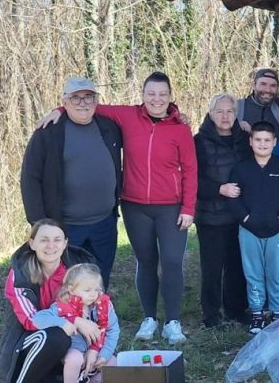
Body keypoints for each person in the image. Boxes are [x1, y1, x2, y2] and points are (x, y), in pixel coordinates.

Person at [39, 72, 197, 345]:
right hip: (135, 206)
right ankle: (149, 318)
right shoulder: (127, 116)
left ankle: (173, 321)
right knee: (145, 261)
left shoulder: (180, 129)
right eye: (151, 94)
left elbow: (191, 170)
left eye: (162, 94)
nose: (156, 99)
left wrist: (188, 207)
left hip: (171, 207)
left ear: (170, 97)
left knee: (171, 262)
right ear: (143, 95)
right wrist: (57, 109)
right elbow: (87, 105)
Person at [0, 220, 100, 383]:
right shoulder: (19, 274)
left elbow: (99, 306)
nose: (51, 246)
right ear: (32, 243)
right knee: (56, 335)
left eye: (57, 240)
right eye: (44, 240)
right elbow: (31, 320)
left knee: (103, 359)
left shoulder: (77, 271)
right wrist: (74, 320)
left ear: (65, 243)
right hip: (28, 343)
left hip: (75, 342)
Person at [20, 76, 123, 283]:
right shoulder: (48, 132)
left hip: (104, 223)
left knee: (99, 280)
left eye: (88, 97)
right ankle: (68, 316)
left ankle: (96, 315)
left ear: (96, 101)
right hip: (65, 226)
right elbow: (30, 178)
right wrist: (40, 224)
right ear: (64, 102)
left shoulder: (109, 128)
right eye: (75, 98)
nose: (82, 103)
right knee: (66, 283)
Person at [226, 122, 279, 333]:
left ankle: (278, 312)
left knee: (275, 273)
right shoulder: (241, 168)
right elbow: (233, 198)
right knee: (253, 273)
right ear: (251, 142)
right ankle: (257, 313)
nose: (262, 144)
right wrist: (245, 218)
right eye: (258, 139)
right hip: (249, 231)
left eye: (267, 140)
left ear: (274, 142)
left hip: (276, 231)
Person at [194, 94, 249, 328]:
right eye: (220, 111)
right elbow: (192, 179)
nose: (225, 116)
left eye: (230, 111)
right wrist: (219, 189)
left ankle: (236, 310)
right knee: (212, 268)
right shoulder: (198, 141)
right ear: (210, 113)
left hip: (239, 215)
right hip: (211, 215)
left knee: (237, 265)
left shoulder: (244, 139)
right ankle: (211, 315)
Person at [40, 263, 120, 383]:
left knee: (113, 363)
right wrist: (67, 322)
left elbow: (112, 330)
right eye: (87, 290)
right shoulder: (62, 306)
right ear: (71, 290)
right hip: (73, 350)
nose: (93, 294)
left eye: (97, 289)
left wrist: (103, 354)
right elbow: (39, 319)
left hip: (97, 350)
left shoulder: (104, 305)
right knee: (74, 358)